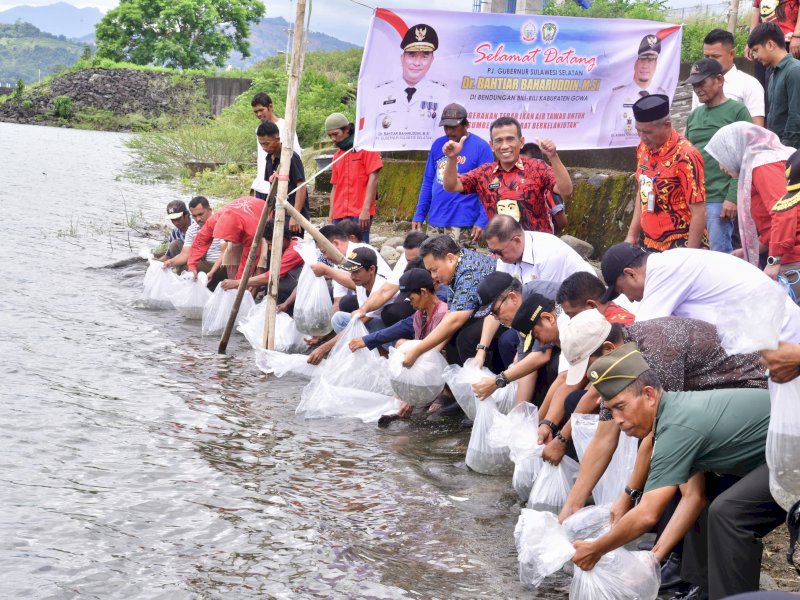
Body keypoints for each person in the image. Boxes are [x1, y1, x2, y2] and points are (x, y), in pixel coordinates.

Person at [570, 345, 782, 600]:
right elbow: (694, 497)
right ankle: (705, 590)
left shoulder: (677, 427)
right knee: (711, 503)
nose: (617, 419)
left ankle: (732, 597)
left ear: (649, 395)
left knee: (729, 513)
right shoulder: (671, 415)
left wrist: (596, 549)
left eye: (621, 407)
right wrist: (653, 559)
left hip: (792, 452)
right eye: (611, 410)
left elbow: (647, 515)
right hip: (776, 453)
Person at [558, 308, 766, 518]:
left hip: (751, 399)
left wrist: (628, 497)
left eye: (591, 366)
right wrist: (572, 506)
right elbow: (604, 436)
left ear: (609, 348)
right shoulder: (621, 360)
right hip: (705, 407)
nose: (589, 376)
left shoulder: (656, 352)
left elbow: (661, 428)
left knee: (670, 467)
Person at [599, 242, 800, 342]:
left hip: (779, 335)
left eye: (624, 292)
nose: (631, 301)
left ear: (631, 274)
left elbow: (641, 335)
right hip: (766, 330)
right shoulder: (669, 263)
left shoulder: (664, 271)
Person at [443, 116, 573, 234]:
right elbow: (451, 186)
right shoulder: (484, 173)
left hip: (537, 251)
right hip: (502, 253)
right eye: (498, 141)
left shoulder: (537, 167)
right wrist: (452, 157)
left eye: (510, 139)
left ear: (521, 142)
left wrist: (553, 156)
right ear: (492, 145)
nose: (504, 146)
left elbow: (565, 190)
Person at [705, 123, 797, 289]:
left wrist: (774, 259)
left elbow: (785, 212)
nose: (721, 167)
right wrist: (750, 249)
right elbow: (772, 224)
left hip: (793, 258)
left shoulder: (763, 165)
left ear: (734, 149)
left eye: (722, 158)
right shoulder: (767, 161)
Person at [351, 268, 450, 419]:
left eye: (411, 299)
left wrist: (412, 398)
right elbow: (400, 330)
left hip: (444, 363)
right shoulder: (420, 314)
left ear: (423, 292)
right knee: (401, 344)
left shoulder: (444, 313)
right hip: (428, 362)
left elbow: (433, 354)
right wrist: (366, 340)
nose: (411, 304)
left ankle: (444, 394)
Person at [684, 58, 752, 253]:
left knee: (719, 256)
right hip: (694, 200)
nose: (697, 89)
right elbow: (686, 156)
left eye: (701, 82)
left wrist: (732, 197)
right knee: (694, 255)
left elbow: (746, 157)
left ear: (719, 80)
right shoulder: (693, 116)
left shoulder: (737, 111)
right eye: (694, 85)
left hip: (719, 199)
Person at [400, 234, 496, 371]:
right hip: (484, 311)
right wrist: (431, 352)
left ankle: (482, 386)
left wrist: (417, 351)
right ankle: (456, 389)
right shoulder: (458, 263)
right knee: (450, 337)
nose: (433, 277)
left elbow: (455, 320)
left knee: (466, 338)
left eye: (434, 270)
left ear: (450, 258)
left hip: (501, 313)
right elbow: (451, 313)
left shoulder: (469, 271)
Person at [624, 94, 707, 251]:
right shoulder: (642, 149)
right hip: (650, 239)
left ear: (667, 124)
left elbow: (699, 210)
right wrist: (632, 235)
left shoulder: (686, 155)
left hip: (681, 241)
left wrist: (691, 254)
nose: (642, 137)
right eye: (638, 131)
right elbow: (642, 192)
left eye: (647, 132)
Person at [470, 273, 564, 407]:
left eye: (496, 311)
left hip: (589, 346)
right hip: (563, 345)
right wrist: (519, 414)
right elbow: (525, 362)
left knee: (554, 365)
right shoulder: (521, 313)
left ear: (513, 298)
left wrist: (497, 381)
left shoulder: (539, 299)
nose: (496, 319)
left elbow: (542, 355)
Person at [412, 103, 492, 243]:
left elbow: (488, 188)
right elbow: (428, 181)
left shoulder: (481, 147)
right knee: (434, 263)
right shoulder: (438, 145)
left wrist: (482, 220)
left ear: (466, 124)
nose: (449, 131)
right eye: (446, 127)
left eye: (454, 127)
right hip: (436, 218)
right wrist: (419, 214)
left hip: (463, 221)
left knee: (459, 263)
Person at [308, 246, 395, 364]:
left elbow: (359, 324)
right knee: (339, 319)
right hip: (375, 328)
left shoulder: (381, 287)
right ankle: (370, 355)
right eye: (351, 272)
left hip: (392, 334)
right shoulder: (361, 285)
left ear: (371, 270)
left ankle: (386, 357)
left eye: (356, 271)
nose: (352, 276)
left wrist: (324, 347)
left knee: (362, 324)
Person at [373, 23, 448, 149]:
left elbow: (441, 141)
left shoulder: (441, 94)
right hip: (385, 164)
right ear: (402, 58)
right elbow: (369, 139)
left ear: (432, 60)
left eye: (424, 56)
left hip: (424, 164)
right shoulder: (379, 93)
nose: (417, 63)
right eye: (412, 55)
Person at [599, 33, 669, 147]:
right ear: (635, 64)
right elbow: (604, 138)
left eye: (650, 60)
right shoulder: (617, 96)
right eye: (642, 60)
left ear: (656, 64)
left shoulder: (662, 95)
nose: (645, 66)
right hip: (621, 157)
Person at [484, 215, 594, 283]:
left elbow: (548, 302)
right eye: (492, 251)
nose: (497, 257)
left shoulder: (549, 254)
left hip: (580, 303)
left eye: (498, 252)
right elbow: (502, 293)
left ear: (517, 241)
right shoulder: (505, 256)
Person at [325, 112, 382, 243]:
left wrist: (366, 210)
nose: (333, 139)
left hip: (359, 212)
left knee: (359, 250)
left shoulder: (367, 149)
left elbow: (373, 179)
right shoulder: (337, 156)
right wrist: (330, 216)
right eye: (330, 136)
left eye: (335, 134)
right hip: (339, 213)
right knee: (338, 251)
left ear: (347, 130)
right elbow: (335, 186)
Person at [221, 220, 303, 310]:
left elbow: (271, 276)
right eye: (269, 245)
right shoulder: (289, 244)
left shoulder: (294, 251)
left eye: (271, 244)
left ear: (282, 240)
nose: (271, 249)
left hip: (297, 296)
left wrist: (237, 282)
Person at [309, 224, 392, 313]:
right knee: (326, 293)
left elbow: (359, 283)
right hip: (362, 299)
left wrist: (327, 270)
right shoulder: (338, 261)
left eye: (324, 252)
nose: (325, 257)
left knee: (346, 302)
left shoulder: (361, 251)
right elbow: (338, 298)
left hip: (382, 299)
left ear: (336, 243)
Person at [690, 29, 765, 126]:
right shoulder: (699, 86)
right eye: (706, 57)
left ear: (731, 54)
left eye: (715, 57)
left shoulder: (750, 84)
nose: (709, 62)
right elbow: (692, 123)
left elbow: (757, 130)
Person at [187, 196, 266, 281]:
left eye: (228, 240)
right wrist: (192, 265)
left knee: (261, 258)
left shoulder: (251, 232)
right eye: (225, 239)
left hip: (262, 211)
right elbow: (200, 241)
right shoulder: (214, 220)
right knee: (230, 251)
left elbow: (249, 260)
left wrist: (238, 283)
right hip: (242, 212)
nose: (225, 241)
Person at [748, 22, 800, 147]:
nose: (756, 56)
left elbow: (796, 117)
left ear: (770, 45)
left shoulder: (794, 71)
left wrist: (785, 151)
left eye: (756, 50)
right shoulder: (773, 75)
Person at [256, 121, 308, 234]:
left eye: (267, 143)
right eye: (261, 144)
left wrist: (296, 215)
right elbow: (272, 188)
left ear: (277, 139)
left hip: (293, 212)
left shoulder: (291, 157)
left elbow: (301, 186)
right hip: (278, 211)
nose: (264, 148)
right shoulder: (268, 159)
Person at [163, 196, 224, 286]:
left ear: (210, 210)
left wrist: (212, 272)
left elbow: (225, 253)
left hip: (219, 267)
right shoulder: (193, 228)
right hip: (203, 262)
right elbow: (185, 254)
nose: (198, 219)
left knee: (186, 267)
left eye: (200, 214)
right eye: (195, 216)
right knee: (185, 265)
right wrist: (169, 263)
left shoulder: (221, 223)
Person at [251, 92, 302, 198]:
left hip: (279, 184)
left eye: (261, 110)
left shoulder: (285, 126)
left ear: (270, 107)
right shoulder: (259, 130)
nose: (259, 114)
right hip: (262, 184)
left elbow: (295, 154)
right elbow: (261, 157)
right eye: (256, 112)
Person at [555, 271, 636, 325]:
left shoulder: (615, 332)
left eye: (572, 316)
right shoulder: (612, 318)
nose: (571, 322)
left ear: (591, 305)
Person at [521, 142, 568, 233]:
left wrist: (549, 235)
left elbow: (562, 221)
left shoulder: (547, 188)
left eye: (526, 164)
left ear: (539, 164)